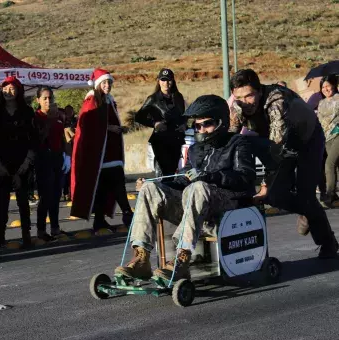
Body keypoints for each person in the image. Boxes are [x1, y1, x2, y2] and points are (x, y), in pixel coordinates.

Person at [115, 95, 256, 281]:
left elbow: (245, 178)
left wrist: (208, 177)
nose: (201, 129)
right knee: (151, 190)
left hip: (225, 209)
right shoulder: (196, 149)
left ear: (221, 122)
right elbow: (182, 180)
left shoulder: (238, 143)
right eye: (197, 126)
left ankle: (182, 258)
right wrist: (157, 184)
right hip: (195, 207)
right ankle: (142, 258)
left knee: (197, 187)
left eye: (207, 124)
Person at [229, 69, 338, 259]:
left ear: (259, 91)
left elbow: (277, 147)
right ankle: (307, 210)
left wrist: (264, 183)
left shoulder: (276, 101)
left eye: (249, 96)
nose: (245, 103)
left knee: (305, 194)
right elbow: (230, 139)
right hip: (280, 144)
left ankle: (327, 241)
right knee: (275, 196)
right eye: (239, 97)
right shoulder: (238, 105)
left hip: (307, 140)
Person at [71, 68, 133, 232]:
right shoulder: (92, 100)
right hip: (99, 153)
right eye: (104, 82)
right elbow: (87, 125)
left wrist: (118, 129)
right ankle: (127, 213)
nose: (107, 85)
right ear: (97, 84)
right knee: (115, 182)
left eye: (109, 82)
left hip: (111, 150)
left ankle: (99, 220)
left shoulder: (108, 100)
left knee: (104, 187)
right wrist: (109, 128)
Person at [0, 76, 36, 248]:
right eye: (5, 88)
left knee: (23, 201)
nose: (8, 91)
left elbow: (33, 139)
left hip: (22, 162)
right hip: (1, 163)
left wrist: (27, 162)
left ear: (18, 91)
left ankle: (26, 234)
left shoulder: (27, 112)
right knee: (1, 202)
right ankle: (0, 236)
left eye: (12, 88)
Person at [34, 86, 71, 241]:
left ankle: (55, 228)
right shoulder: (36, 117)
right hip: (43, 159)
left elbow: (63, 137)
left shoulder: (58, 116)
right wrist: (49, 120)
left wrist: (66, 155)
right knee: (45, 197)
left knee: (56, 195)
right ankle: (41, 230)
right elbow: (38, 140)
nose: (48, 101)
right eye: (45, 98)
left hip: (57, 158)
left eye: (50, 98)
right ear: (38, 100)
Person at [135, 68, 186, 177]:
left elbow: (183, 116)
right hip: (160, 141)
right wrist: (154, 123)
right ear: (158, 81)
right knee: (163, 173)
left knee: (173, 173)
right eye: (163, 80)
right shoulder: (153, 99)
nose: (166, 83)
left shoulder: (178, 97)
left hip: (176, 139)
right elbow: (139, 116)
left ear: (173, 81)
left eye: (168, 80)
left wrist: (184, 125)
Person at [317, 75, 339, 206]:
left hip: (337, 134)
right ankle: (335, 195)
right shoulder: (321, 102)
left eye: (327, 86)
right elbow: (319, 120)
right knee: (336, 165)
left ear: (334, 85)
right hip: (326, 137)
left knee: (329, 164)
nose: (325, 89)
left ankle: (330, 194)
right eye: (323, 87)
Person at [62, 105, 77, 201]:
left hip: (75, 149)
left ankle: (73, 192)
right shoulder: (62, 122)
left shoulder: (76, 121)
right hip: (66, 151)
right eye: (67, 111)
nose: (68, 113)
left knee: (74, 172)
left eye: (70, 111)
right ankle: (66, 193)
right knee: (66, 173)